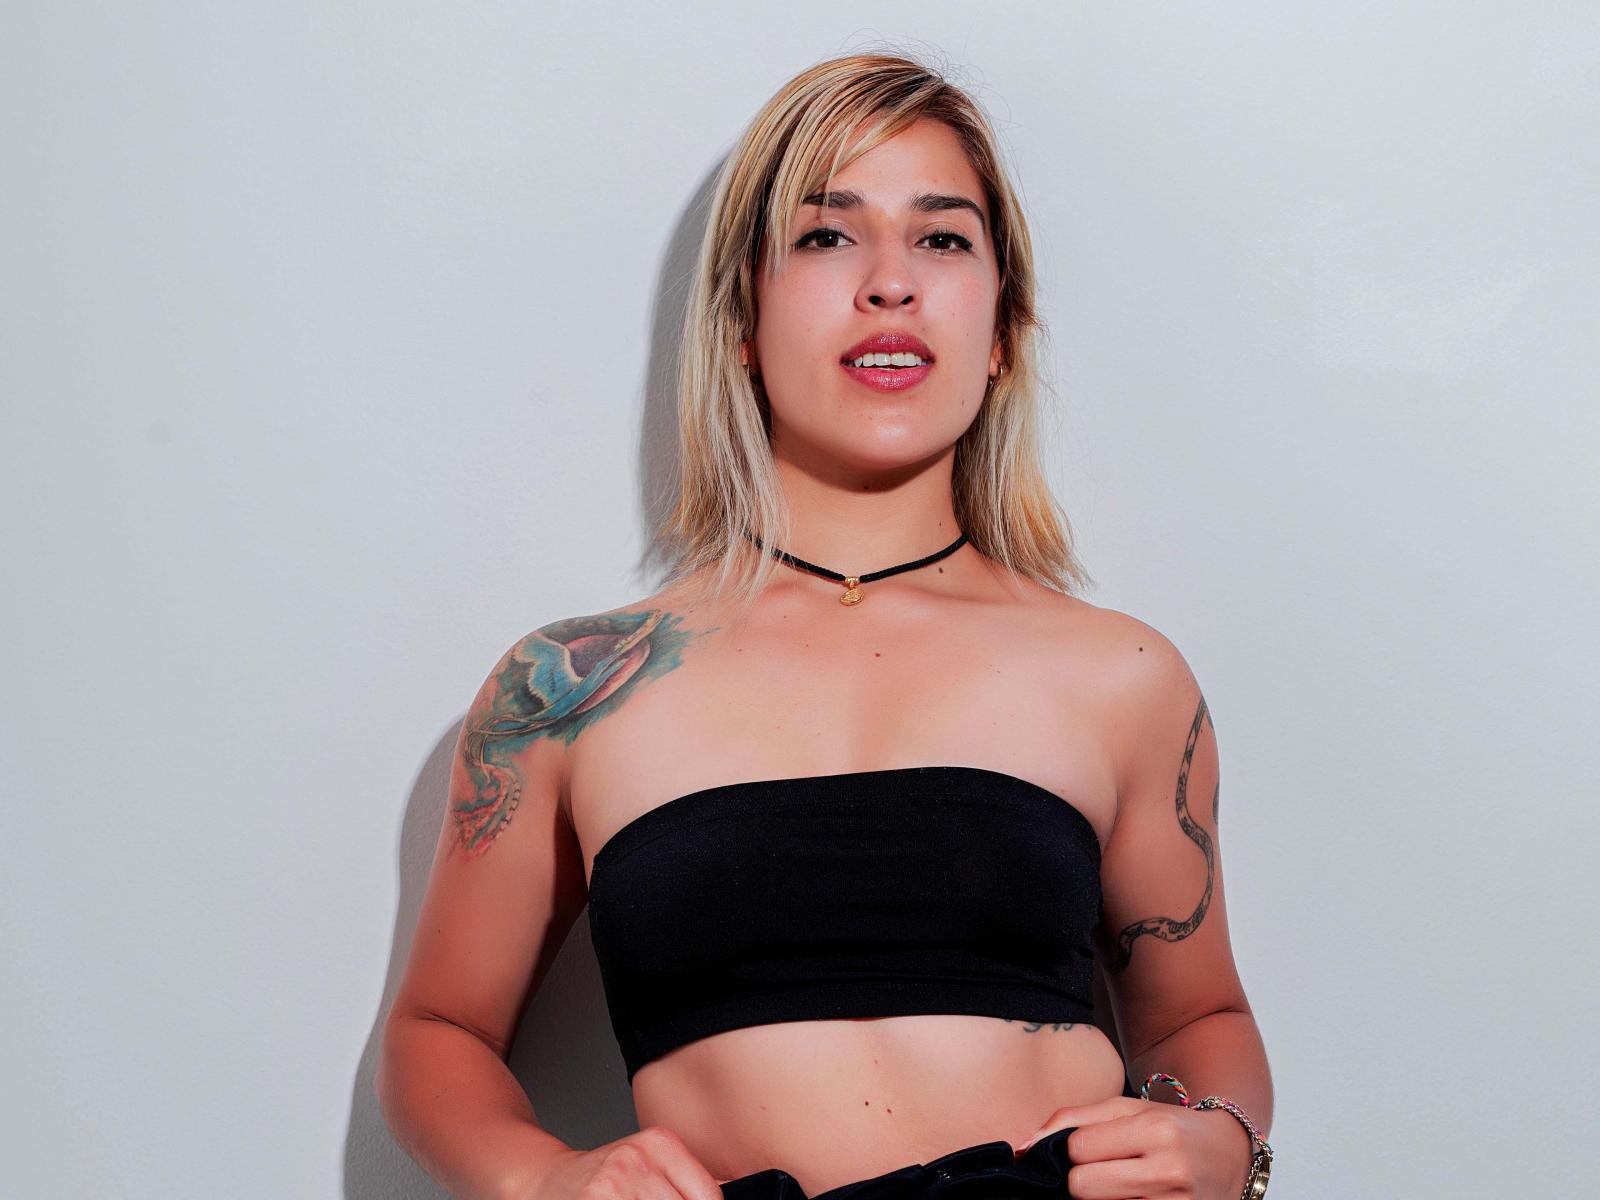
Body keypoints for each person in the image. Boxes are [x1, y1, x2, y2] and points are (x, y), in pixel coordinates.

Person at [377, 50, 1275, 1200]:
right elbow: (438, 1031)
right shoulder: (569, 688)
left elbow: (1200, 1014)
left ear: (1004, 328)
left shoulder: (1123, 675)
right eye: (826, 235)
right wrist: (544, 1180)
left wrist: (1222, 1140)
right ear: (741, 322)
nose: (890, 283)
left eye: (941, 238)